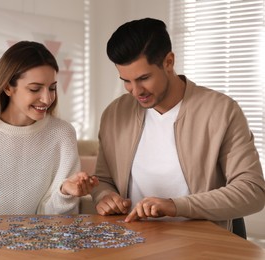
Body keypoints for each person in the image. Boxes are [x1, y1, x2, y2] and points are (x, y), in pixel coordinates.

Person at [91, 18, 265, 231]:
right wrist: (105, 196)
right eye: (126, 81)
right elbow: (102, 179)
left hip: (202, 244)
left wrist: (176, 206)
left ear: (169, 62)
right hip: (132, 242)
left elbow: (252, 191)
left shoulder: (221, 111)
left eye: (144, 78)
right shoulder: (115, 114)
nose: (136, 91)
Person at [0, 41, 98, 215]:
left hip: (40, 241)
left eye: (52, 88)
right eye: (35, 89)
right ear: (8, 87)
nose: (47, 99)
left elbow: (53, 220)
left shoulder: (62, 134)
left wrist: (65, 194)